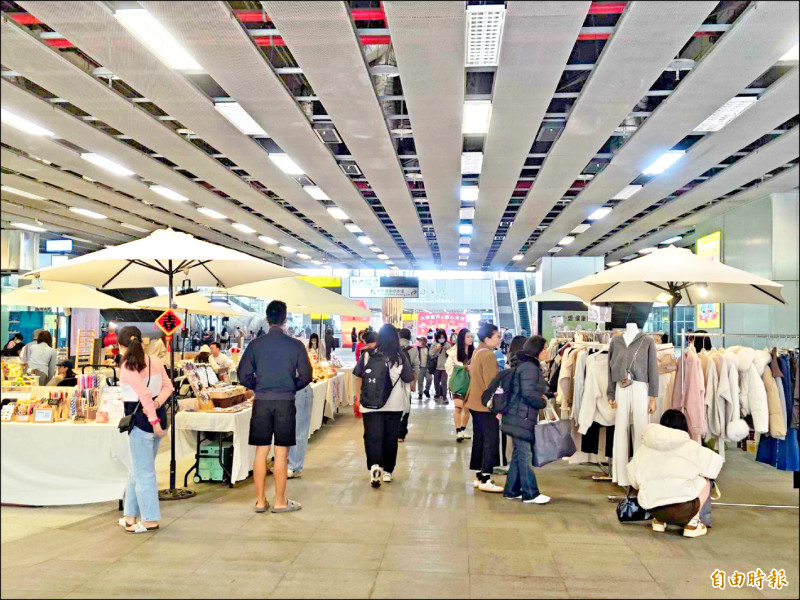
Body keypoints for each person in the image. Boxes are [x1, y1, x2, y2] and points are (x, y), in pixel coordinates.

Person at [238, 300, 312, 513]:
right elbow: (306, 375)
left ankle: (260, 501)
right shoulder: (295, 345)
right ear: (285, 319)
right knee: (281, 452)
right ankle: (280, 501)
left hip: (261, 401)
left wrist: (258, 386)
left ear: (267, 319)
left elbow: (243, 375)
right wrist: (291, 386)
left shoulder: (255, 345)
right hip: (285, 402)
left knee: (261, 451)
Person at [627, 409, 723, 538]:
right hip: (685, 510)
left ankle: (659, 521)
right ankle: (692, 524)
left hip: (654, 509)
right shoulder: (691, 447)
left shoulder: (645, 446)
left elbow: (633, 480)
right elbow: (715, 466)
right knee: (706, 480)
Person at [117, 325, 172, 534]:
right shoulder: (155, 361)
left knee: (144, 472)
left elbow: (144, 395)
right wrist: (157, 408)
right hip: (157, 418)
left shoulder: (128, 367)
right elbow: (168, 387)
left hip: (141, 422)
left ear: (122, 346)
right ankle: (130, 516)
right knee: (138, 468)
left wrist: (153, 421)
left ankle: (149, 519)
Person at [353, 324, 414, 487]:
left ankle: (374, 466)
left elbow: (358, 376)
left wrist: (357, 397)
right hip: (394, 405)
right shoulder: (400, 356)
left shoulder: (367, 354)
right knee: (390, 437)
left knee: (372, 436)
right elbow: (408, 378)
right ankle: (387, 471)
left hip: (370, 403)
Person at [502, 336, 552, 504]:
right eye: (545, 348)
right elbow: (528, 393)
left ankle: (512, 490)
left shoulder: (527, 366)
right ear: (537, 350)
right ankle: (530, 493)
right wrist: (542, 402)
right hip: (521, 416)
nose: (547, 351)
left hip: (519, 415)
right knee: (525, 455)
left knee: (519, 454)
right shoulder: (530, 368)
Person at [465, 322, 503, 492]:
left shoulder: (478, 351)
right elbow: (492, 385)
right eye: (497, 336)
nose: (499, 339)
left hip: (474, 402)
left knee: (479, 439)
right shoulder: (488, 355)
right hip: (485, 406)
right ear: (488, 338)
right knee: (490, 440)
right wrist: (499, 407)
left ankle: (479, 476)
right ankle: (486, 478)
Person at [446, 328, 474, 442]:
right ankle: (458, 431)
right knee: (458, 406)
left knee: (467, 408)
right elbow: (448, 367)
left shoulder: (474, 352)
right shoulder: (454, 352)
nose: (471, 339)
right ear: (462, 339)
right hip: (457, 383)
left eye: (471, 337)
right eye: (468, 337)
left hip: (470, 384)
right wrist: (463, 369)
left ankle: (463, 429)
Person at [398, 328, 419, 442]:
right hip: (407, 381)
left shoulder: (393, 347)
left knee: (393, 405)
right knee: (406, 406)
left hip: (393, 381)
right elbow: (416, 368)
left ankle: (393, 431)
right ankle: (401, 434)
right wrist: (414, 383)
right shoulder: (413, 350)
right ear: (409, 337)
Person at [430, 329, 451, 403]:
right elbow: (431, 354)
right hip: (436, 366)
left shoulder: (447, 345)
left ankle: (444, 396)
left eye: (443, 337)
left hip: (445, 367)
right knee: (436, 382)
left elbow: (451, 355)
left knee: (444, 382)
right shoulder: (434, 344)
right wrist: (437, 350)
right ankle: (437, 394)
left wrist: (447, 350)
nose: (442, 339)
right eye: (440, 337)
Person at [415, 336, 432, 400]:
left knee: (429, 379)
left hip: (427, 368)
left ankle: (426, 390)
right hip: (420, 368)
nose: (420, 342)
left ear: (425, 341)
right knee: (420, 381)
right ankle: (420, 394)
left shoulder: (429, 348)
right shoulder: (417, 349)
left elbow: (431, 357)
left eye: (421, 341)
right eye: (420, 341)